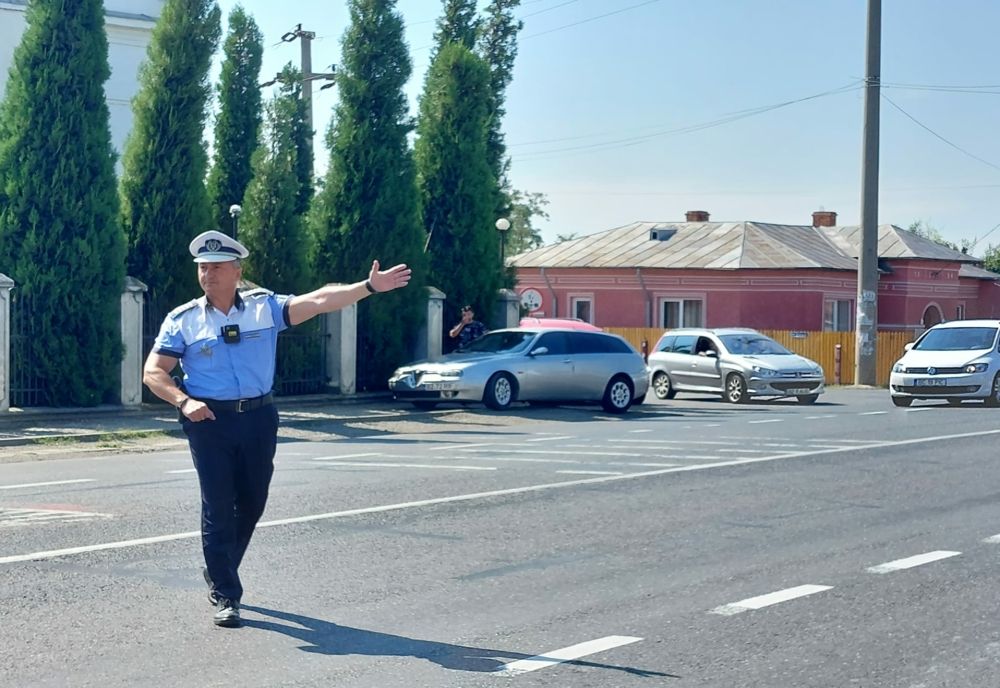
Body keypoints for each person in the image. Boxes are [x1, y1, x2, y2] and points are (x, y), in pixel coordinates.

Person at [142, 230, 410, 628]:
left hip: (258, 417)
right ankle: (226, 594)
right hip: (207, 420)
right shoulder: (183, 320)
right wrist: (184, 400)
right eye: (202, 268)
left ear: (238, 270)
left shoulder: (262, 307)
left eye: (216, 267)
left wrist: (368, 286)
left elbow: (319, 300)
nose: (208, 274)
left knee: (251, 502)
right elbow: (153, 372)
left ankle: (221, 567)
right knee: (218, 504)